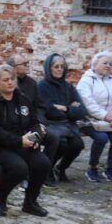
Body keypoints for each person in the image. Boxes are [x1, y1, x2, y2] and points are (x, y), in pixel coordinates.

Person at [0, 64, 51, 217]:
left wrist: (35, 138)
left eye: (13, 79)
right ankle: (0, 197)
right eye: (5, 80)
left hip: (22, 143)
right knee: (20, 168)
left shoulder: (22, 98)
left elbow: (35, 122)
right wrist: (19, 141)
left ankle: (30, 202)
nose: (10, 82)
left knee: (43, 163)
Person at [76, 51, 112, 183]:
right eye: (105, 63)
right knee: (101, 138)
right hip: (90, 120)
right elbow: (87, 102)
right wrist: (105, 116)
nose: (108, 66)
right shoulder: (86, 80)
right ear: (95, 64)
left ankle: (110, 168)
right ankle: (92, 167)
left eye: (110, 64)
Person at [36, 53, 86, 183]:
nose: (59, 69)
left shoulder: (68, 87)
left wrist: (65, 108)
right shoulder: (42, 86)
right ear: (49, 68)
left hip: (68, 125)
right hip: (51, 125)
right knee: (61, 143)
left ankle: (60, 168)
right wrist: (70, 108)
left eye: (62, 66)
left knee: (78, 144)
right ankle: (46, 171)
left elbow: (81, 110)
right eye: (56, 66)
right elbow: (48, 110)